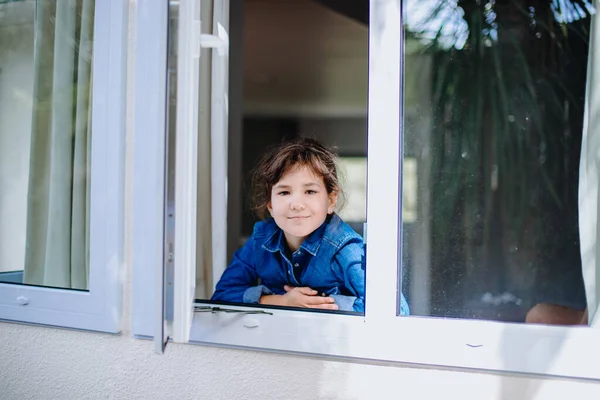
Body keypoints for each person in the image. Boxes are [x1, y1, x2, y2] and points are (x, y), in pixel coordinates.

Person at [212, 137, 410, 314]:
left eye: (310, 191)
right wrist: (282, 301)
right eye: (284, 193)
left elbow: (396, 310)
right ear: (271, 205)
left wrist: (317, 305)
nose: (297, 204)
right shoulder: (261, 240)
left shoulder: (344, 248)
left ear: (331, 201)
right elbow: (222, 295)